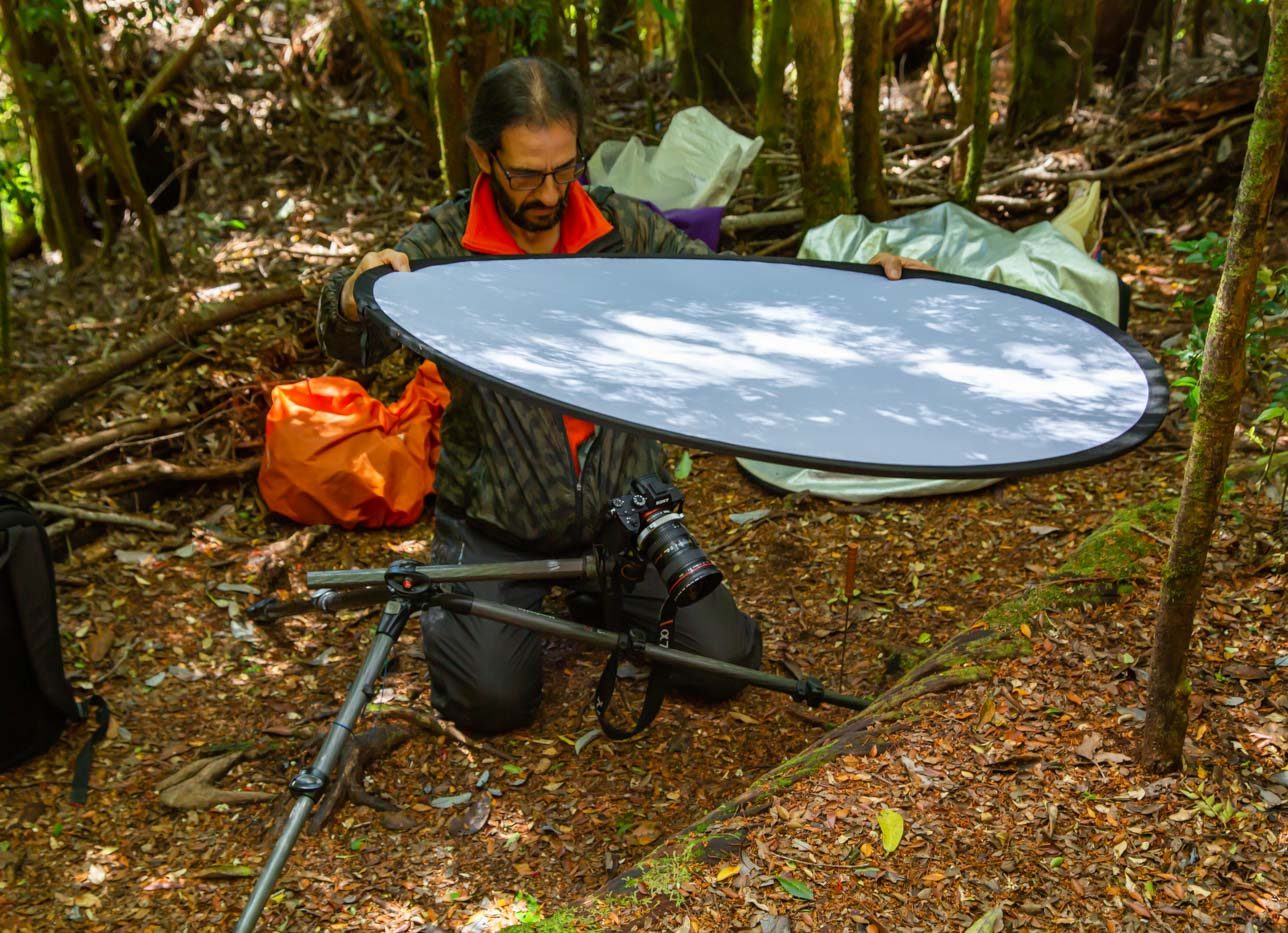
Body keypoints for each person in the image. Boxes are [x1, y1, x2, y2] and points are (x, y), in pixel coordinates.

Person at [318, 57, 922, 735]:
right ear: (483, 157)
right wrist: (352, 295)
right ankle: (499, 594)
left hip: (625, 515)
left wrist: (862, 291)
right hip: (498, 522)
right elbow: (355, 343)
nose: (549, 192)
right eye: (526, 173)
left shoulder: (622, 232)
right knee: (488, 702)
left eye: (564, 168)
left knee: (724, 662)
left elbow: (734, 296)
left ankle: (598, 594)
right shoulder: (443, 247)